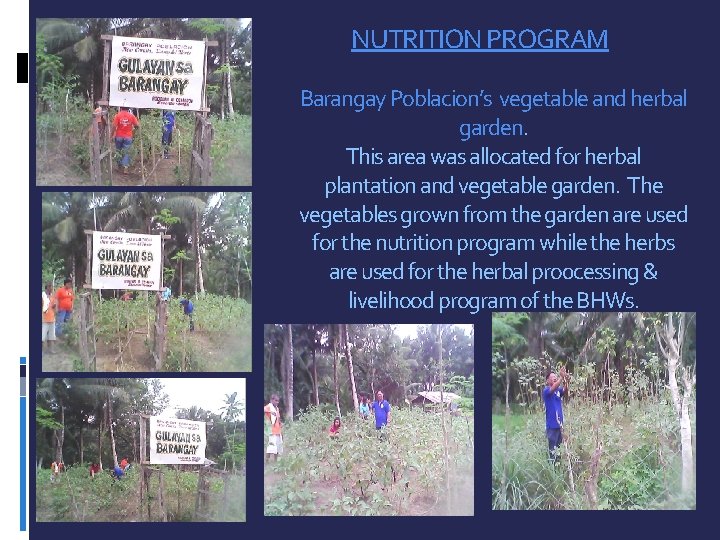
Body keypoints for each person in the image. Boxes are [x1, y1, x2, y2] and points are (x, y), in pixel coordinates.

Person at [542, 366, 570, 464]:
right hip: (552, 426)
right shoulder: (546, 391)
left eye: (555, 376)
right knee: (552, 449)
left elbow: (565, 390)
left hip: (559, 426)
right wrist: (561, 378)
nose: (554, 378)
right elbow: (554, 387)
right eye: (552, 377)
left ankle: (557, 467)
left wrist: (565, 379)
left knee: (559, 448)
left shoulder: (558, 391)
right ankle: (551, 469)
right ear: (547, 381)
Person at [112, 106, 140, 173]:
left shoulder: (117, 115)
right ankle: (125, 168)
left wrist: (111, 135)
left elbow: (114, 126)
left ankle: (119, 167)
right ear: (128, 109)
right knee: (126, 152)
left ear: (121, 108)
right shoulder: (131, 116)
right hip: (128, 137)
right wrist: (134, 132)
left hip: (119, 136)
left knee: (118, 151)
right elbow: (137, 125)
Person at [264, 394, 283, 462]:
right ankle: (267, 461)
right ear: (272, 400)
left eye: (278, 401)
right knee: (271, 447)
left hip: (278, 430)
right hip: (271, 430)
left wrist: (281, 424)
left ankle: (276, 462)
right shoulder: (268, 407)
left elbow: (278, 418)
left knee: (278, 446)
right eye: (276, 400)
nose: (277, 402)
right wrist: (270, 412)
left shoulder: (277, 408)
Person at [42, 282, 57, 353]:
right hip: (44, 319)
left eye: (52, 287)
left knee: (51, 336)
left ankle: (50, 349)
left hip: (52, 318)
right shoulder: (43, 296)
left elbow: (54, 306)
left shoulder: (52, 296)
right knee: (42, 336)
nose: (51, 289)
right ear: (47, 288)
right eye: (50, 287)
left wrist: (54, 306)